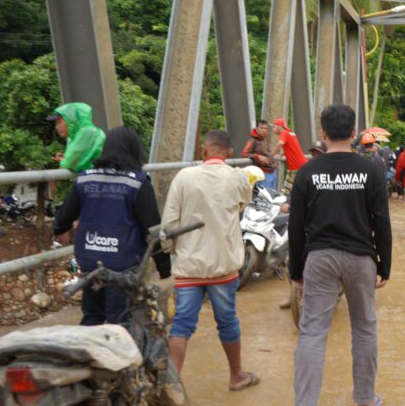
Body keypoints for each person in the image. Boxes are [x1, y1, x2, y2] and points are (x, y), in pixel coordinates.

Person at [290, 104, 391, 406]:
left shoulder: (307, 171)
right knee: (364, 326)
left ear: (323, 133)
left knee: (312, 332)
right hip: (361, 257)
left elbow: (296, 227)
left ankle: (305, 402)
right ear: (353, 133)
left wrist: (296, 270)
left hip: (319, 258)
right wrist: (385, 264)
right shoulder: (371, 169)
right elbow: (382, 221)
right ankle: (364, 398)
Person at [162, 130, 258, 392]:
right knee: (227, 321)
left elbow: (169, 224)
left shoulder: (183, 177)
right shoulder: (238, 177)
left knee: (181, 323)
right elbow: (240, 209)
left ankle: (171, 385)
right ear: (229, 153)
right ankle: (236, 376)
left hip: (189, 266)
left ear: (203, 151)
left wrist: (171, 250)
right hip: (222, 266)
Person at [53, 126, 170, 325]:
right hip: (123, 266)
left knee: (93, 316)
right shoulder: (139, 183)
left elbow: (61, 221)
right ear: (135, 150)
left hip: (90, 262)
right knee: (121, 321)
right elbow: (151, 230)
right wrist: (164, 267)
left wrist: (61, 227)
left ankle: (87, 355)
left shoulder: (85, 178)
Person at [47, 102, 105, 172]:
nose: (56, 127)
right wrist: (66, 158)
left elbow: (70, 164)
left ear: (71, 120)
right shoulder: (74, 137)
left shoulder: (88, 132)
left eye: (59, 122)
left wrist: (65, 161)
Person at [242, 120, 277, 191]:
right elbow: (245, 153)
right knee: (265, 198)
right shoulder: (253, 140)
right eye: (262, 128)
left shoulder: (265, 139)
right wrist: (257, 156)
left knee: (272, 197)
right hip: (264, 173)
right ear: (257, 129)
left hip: (273, 171)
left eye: (266, 128)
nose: (264, 130)